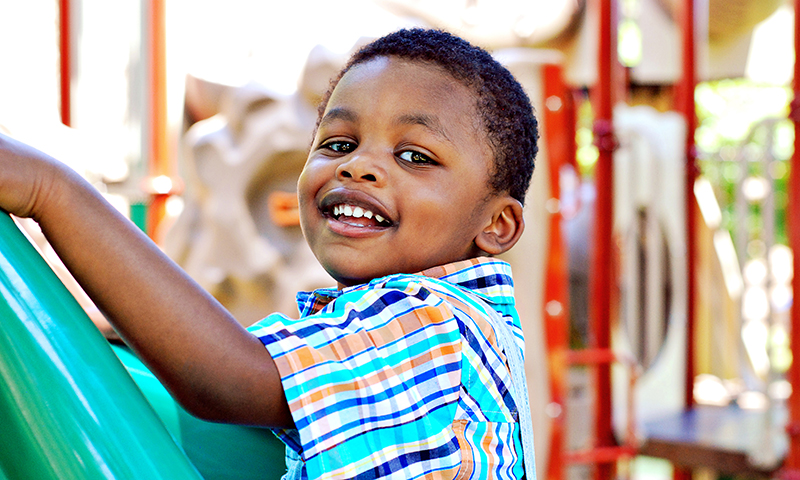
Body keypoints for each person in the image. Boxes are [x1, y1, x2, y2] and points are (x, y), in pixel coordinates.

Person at [0, 28, 539, 479]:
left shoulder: (436, 320)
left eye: (414, 155)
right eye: (338, 143)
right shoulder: (420, 325)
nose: (358, 166)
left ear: (497, 224)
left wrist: (53, 192)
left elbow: (228, 379)